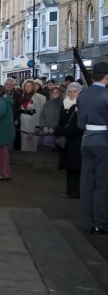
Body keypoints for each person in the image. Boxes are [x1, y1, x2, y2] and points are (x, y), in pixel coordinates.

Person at [77, 61, 108, 234]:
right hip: (103, 142)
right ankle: (100, 222)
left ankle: (87, 222)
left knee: (87, 182)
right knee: (102, 184)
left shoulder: (83, 95)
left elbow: (81, 123)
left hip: (87, 140)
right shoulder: (106, 95)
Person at [56, 83, 84, 199]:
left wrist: (63, 131)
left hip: (76, 141)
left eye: (75, 91)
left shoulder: (81, 106)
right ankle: (70, 190)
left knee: (76, 167)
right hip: (67, 141)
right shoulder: (64, 104)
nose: (72, 94)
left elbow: (77, 125)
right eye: (70, 91)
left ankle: (76, 192)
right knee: (69, 167)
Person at [18, 79, 46, 152]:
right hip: (23, 122)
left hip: (32, 122)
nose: (27, 88)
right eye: (26, 86)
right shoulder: (22, 97)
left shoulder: (36, 98)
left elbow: (39, 112)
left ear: (33, 87)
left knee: (31, 141)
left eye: (29, 86)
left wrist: (37, 125)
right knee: (23, 141)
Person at [39, 85, 63, 149]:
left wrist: (53, 127)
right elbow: (42, 115)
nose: (54, 94)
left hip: (55, 131)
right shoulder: (47, 103)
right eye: (53, 92)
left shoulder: (62, 104)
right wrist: (44, 126)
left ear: (60, 93)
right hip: (44, 131)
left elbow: (60, 117)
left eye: (56, 92)